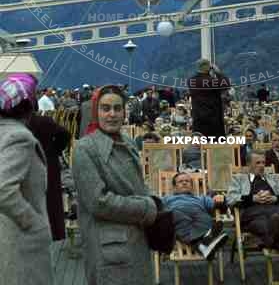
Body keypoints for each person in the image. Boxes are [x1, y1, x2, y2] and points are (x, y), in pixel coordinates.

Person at [72, 85, 161, 285]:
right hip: (109, 250)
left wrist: (153, 198)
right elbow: (98, 202)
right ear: (96, 112)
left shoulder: (128, 143)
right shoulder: (85, 149)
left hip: (138, 241)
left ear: (124, 112)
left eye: (117, 108)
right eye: (105, 108)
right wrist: (147, 207)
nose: (112, 114)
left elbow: (138, 185)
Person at [0, 73, 54, 284]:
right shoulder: (19, 137)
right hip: (19, 243)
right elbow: (3, 188)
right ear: (29, 105)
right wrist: (31, 222)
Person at [227, 150, 279, 255]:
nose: (262, 166)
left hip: (274, 209)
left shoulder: (273, 178)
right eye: (258, 163)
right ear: (248, 164)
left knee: (277, 217)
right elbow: (230, 198)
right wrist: (253, 198)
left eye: (263, 163)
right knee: (274, 220)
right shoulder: (238, 179)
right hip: (253, 214)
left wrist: (275, 198)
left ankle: (271, 241)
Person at [163, 172, 228, 259]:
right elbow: (155, 207)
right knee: (177, 214)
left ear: (192, 186)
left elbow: (217, 205)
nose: (184, 183)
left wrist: (220, 199)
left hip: (200, 221)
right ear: (174, 188)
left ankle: (203, 245)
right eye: (180, 181)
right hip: (179, 223)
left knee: (204, 217)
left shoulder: (202, 198)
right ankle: (206, 240)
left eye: (187, 181)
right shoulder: (167, 199)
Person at [29, 111, 71, 240]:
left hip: (28, 165)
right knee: (52, 201)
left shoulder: (15, 125)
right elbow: (65, 134)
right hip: (49, 164)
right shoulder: (44, 121)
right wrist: (54, 150)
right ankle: (55, 232)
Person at [188, 59, 230, 138]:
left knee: (199, 143)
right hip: (213, 117)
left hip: (198, 117)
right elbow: (226, 85)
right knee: (214, 145)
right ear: (208, 67)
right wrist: (218, 72)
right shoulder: (211, 81)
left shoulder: (191, 80)